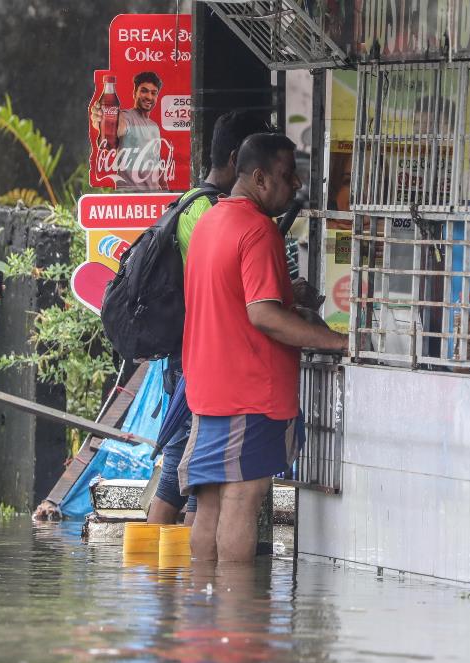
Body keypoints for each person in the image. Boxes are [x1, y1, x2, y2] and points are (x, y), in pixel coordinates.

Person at [178, 133, 347, 562]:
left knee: (211, 502)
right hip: (248, 392)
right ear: (259, 178)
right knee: (243, 498)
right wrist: (337, 341)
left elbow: (231, 297)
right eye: (287, 176)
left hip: (206, 388)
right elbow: (263, 315)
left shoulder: (209, 222)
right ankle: (237, 620)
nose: (295, 186)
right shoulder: (258, 230)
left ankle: (201, 617)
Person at [147, 111, 279, 528]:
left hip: (191, 359)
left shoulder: (196, 204)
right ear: (241, 159)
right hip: (201, 364)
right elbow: (230, 291)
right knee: (192, 481)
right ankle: (177, 581)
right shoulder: (210, 214)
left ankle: (173, 583)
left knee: (188, 476)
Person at [118, 71, 165, 189]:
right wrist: (102, 120)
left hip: (154, 197)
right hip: (131, 198)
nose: (149, 97)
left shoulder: (154, 126)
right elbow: (117, 130)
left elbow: (156, 163)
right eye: (144, 91)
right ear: (134, 93)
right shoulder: (125, 116)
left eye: (153, 93)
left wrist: (165, 191)